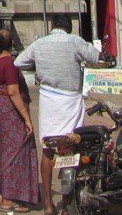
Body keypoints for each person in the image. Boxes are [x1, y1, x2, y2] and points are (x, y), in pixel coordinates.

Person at [14, 17, 105, 215]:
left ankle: (48, 204)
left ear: (52, 27)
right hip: (71, 101)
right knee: (73, 146)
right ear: (69, 28)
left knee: (48, 149)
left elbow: (18, 62)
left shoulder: (40, 43)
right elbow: (96, 57)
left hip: (49, 102)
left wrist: (38, 68)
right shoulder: (75, 41)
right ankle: (68, 202)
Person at [0, 28, 41, 212]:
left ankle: (1, 194)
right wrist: (27, 118)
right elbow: (13, 92)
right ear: (11, 44)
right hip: (10, 110)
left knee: (2, 151)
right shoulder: (8, 62)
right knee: (16, 151)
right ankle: (9, 200)